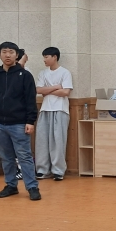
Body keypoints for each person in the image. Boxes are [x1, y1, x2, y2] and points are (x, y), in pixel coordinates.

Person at [0, 42, 41, 201]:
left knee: (24, 156)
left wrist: (30, 121)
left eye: (11, 52)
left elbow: (30, 100)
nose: (7, 55)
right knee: (6, 157)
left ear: (17, 55)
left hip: (19, 123)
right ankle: (11, 185)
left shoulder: (25, 75)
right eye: (4, 52)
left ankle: (32, 187)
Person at [35, 47, 73, 181]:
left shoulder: (65, 72)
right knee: (42, 141)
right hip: (45, 109)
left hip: (61, 110)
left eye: (46, 57)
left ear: (55, 57)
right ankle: (42, 170)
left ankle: (58, 171)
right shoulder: (43, 73)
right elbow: (39, 90)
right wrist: (56, 87)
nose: (44, 60)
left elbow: (65, 92)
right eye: (44, 57)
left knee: (58, 141)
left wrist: (47, 90)